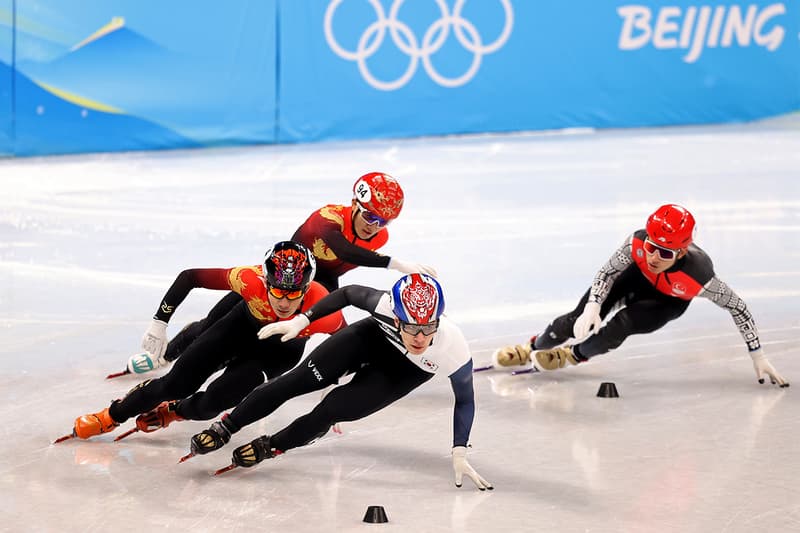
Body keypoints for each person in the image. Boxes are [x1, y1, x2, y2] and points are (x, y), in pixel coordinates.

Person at [185, 273, 493, 491]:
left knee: (332, 409)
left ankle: (272, 446)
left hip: (401, 373)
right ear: (396, 317)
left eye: (429, 328)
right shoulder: (383, 305)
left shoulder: (452, 347)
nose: (421, 338)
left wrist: (459, 449)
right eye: (412, 328)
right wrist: (302, 320)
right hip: (371, 339)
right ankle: (225, 427)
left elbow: (465, 399)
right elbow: (348, 294)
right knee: (298, 380)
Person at [123, 171, 436, 375]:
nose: (374, 225)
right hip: (282, 275)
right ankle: (167, 355)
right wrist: (394, 263)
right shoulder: (325, 219)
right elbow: (342, 250)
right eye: (369, 215)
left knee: (315, 338)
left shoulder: (379, 238)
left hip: (318, 286)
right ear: (354, 203)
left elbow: (344, 265)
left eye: (383, 221)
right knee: (213, 323)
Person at [65, 241, 347, 441]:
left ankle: (176, 412)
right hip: (239, 328)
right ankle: (112, 415)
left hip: (277, 353)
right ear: (266, 281)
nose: (284, 302)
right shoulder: (249, 279)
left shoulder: (323, 303)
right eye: (277, 291)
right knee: (175, 384)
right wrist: (159, 323)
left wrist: (330, 382)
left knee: (212, 404)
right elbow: (190, 277)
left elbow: (345, 340)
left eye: (294, 293)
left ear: (306, 288)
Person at [492, 204, 788, 387]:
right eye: (651, 246)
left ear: (682, 252)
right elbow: (607, 273)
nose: (654, 256)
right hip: (632, 279)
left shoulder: (699, 276)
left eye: (665, 252)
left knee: (623, 324)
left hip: (666, 301)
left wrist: (757, 354)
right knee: (575, 319)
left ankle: (571, 355)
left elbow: (738, 308)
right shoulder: (636, 243)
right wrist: (594, 306)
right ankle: (533, 346)